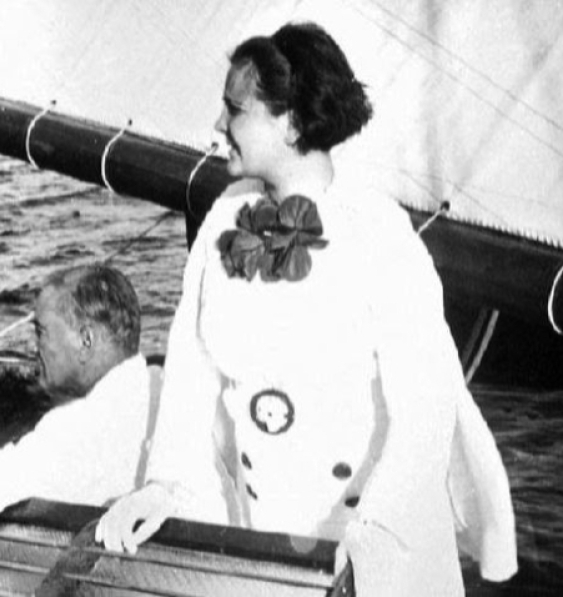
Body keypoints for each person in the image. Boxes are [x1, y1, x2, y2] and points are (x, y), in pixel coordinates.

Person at [96, 21, 517, 595]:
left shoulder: (379, 234)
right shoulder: (223, 221)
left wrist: (375, 542)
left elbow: (426, 410)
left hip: (366, 548)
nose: (218, 124)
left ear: (291, 122)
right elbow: (191, 375)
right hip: (266, 544)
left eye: (234, 109)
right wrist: (164, 487)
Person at [0, 264, 154, 522]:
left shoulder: (78, 429)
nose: (34, 347)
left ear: (86, 340)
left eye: (41, 332)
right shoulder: (160, 387)